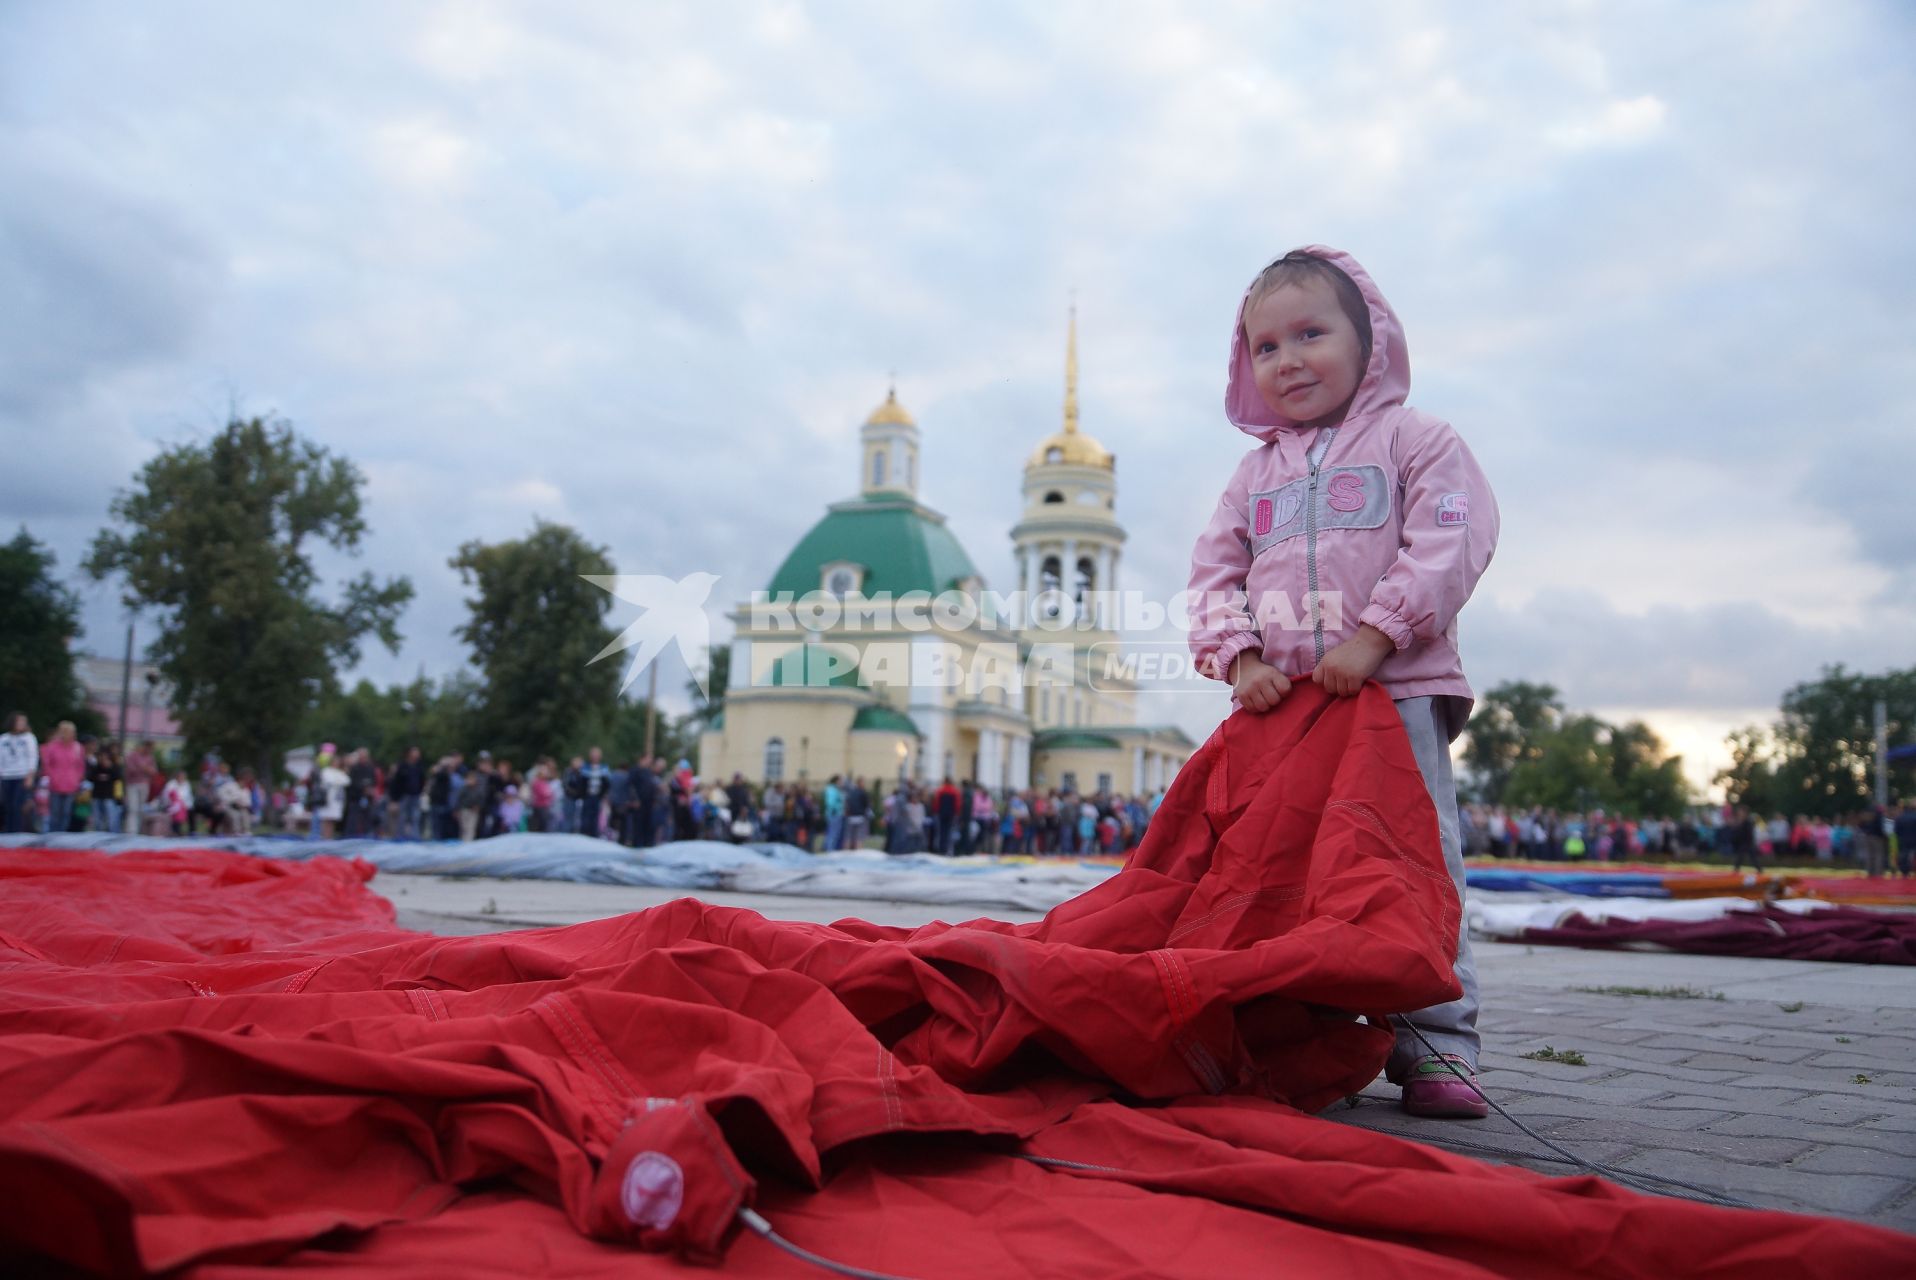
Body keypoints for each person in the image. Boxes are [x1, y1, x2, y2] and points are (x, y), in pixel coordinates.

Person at [1187, 246, 1499, 1120]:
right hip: (1289, 713)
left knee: (1413, 861)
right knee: (1294, 867)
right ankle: (1311, 1032)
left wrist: (1376, 636)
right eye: (1265, 347)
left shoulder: (1418, 442)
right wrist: (1241, 657)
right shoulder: (1253, 478)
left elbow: (1451, 541)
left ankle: (1438, 1040)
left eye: (1311, 334)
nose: (1287, 361)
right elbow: (1213, 574)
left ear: (1372, 343)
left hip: (1396, 694)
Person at [40, 722, 86, 835]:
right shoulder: (52, 746)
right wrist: (51, 776)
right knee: (55, 813)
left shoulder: (77, 747)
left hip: (71, 784)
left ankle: (63, 837)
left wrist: (77, 779)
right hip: (55, 784)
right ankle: (52, 836)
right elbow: (47, 764)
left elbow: (80, 766)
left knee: (66, 813)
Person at [0, 713, 38, 834]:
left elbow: (33, 756)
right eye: (19, 721)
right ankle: (7, 831)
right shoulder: (3, 738)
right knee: (6, 805)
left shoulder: (28, 738)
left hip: (22, 774)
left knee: (17, 805)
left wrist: (30, 776)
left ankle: (16, 832)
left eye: (24, 722)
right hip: (6, 775)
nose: (22, 724)